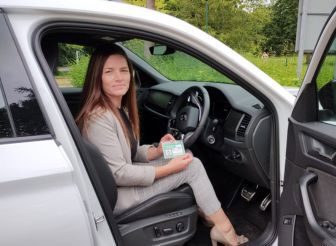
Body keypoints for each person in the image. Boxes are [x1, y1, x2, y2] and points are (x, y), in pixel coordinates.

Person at [75, 44, 248, 246]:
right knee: (192, 166)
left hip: (117, 185)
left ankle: (207, 213)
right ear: (98, 77)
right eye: (109, 72)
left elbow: (128, 152)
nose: (119, 77)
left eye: (123, 70)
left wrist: (157, 150)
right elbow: (118, 173)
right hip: (117, 196)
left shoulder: (116, 107)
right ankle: (225, 231)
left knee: (184, 152)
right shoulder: (100, 117)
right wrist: (168, 169)